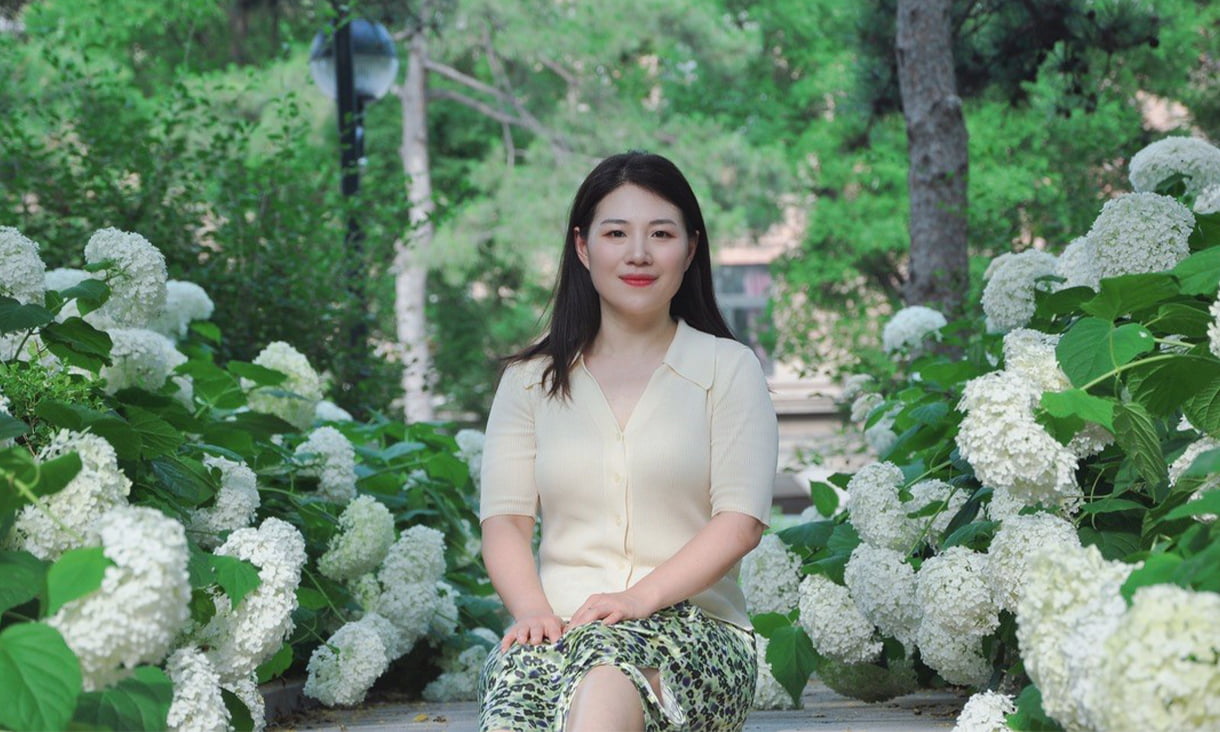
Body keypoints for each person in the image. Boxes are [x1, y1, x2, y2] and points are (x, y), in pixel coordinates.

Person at [477, 151, 779, 732]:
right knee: (518, 705)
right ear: (584, 248)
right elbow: (506, 523)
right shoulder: (528, 381)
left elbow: (739, 521)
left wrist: (637, 600)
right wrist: (533, 612)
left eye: (660, 234)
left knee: (610, 672)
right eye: (616, 233)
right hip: (555, 631)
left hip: (696, 634)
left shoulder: (728, 369)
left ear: (690, 250)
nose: (638, 253)